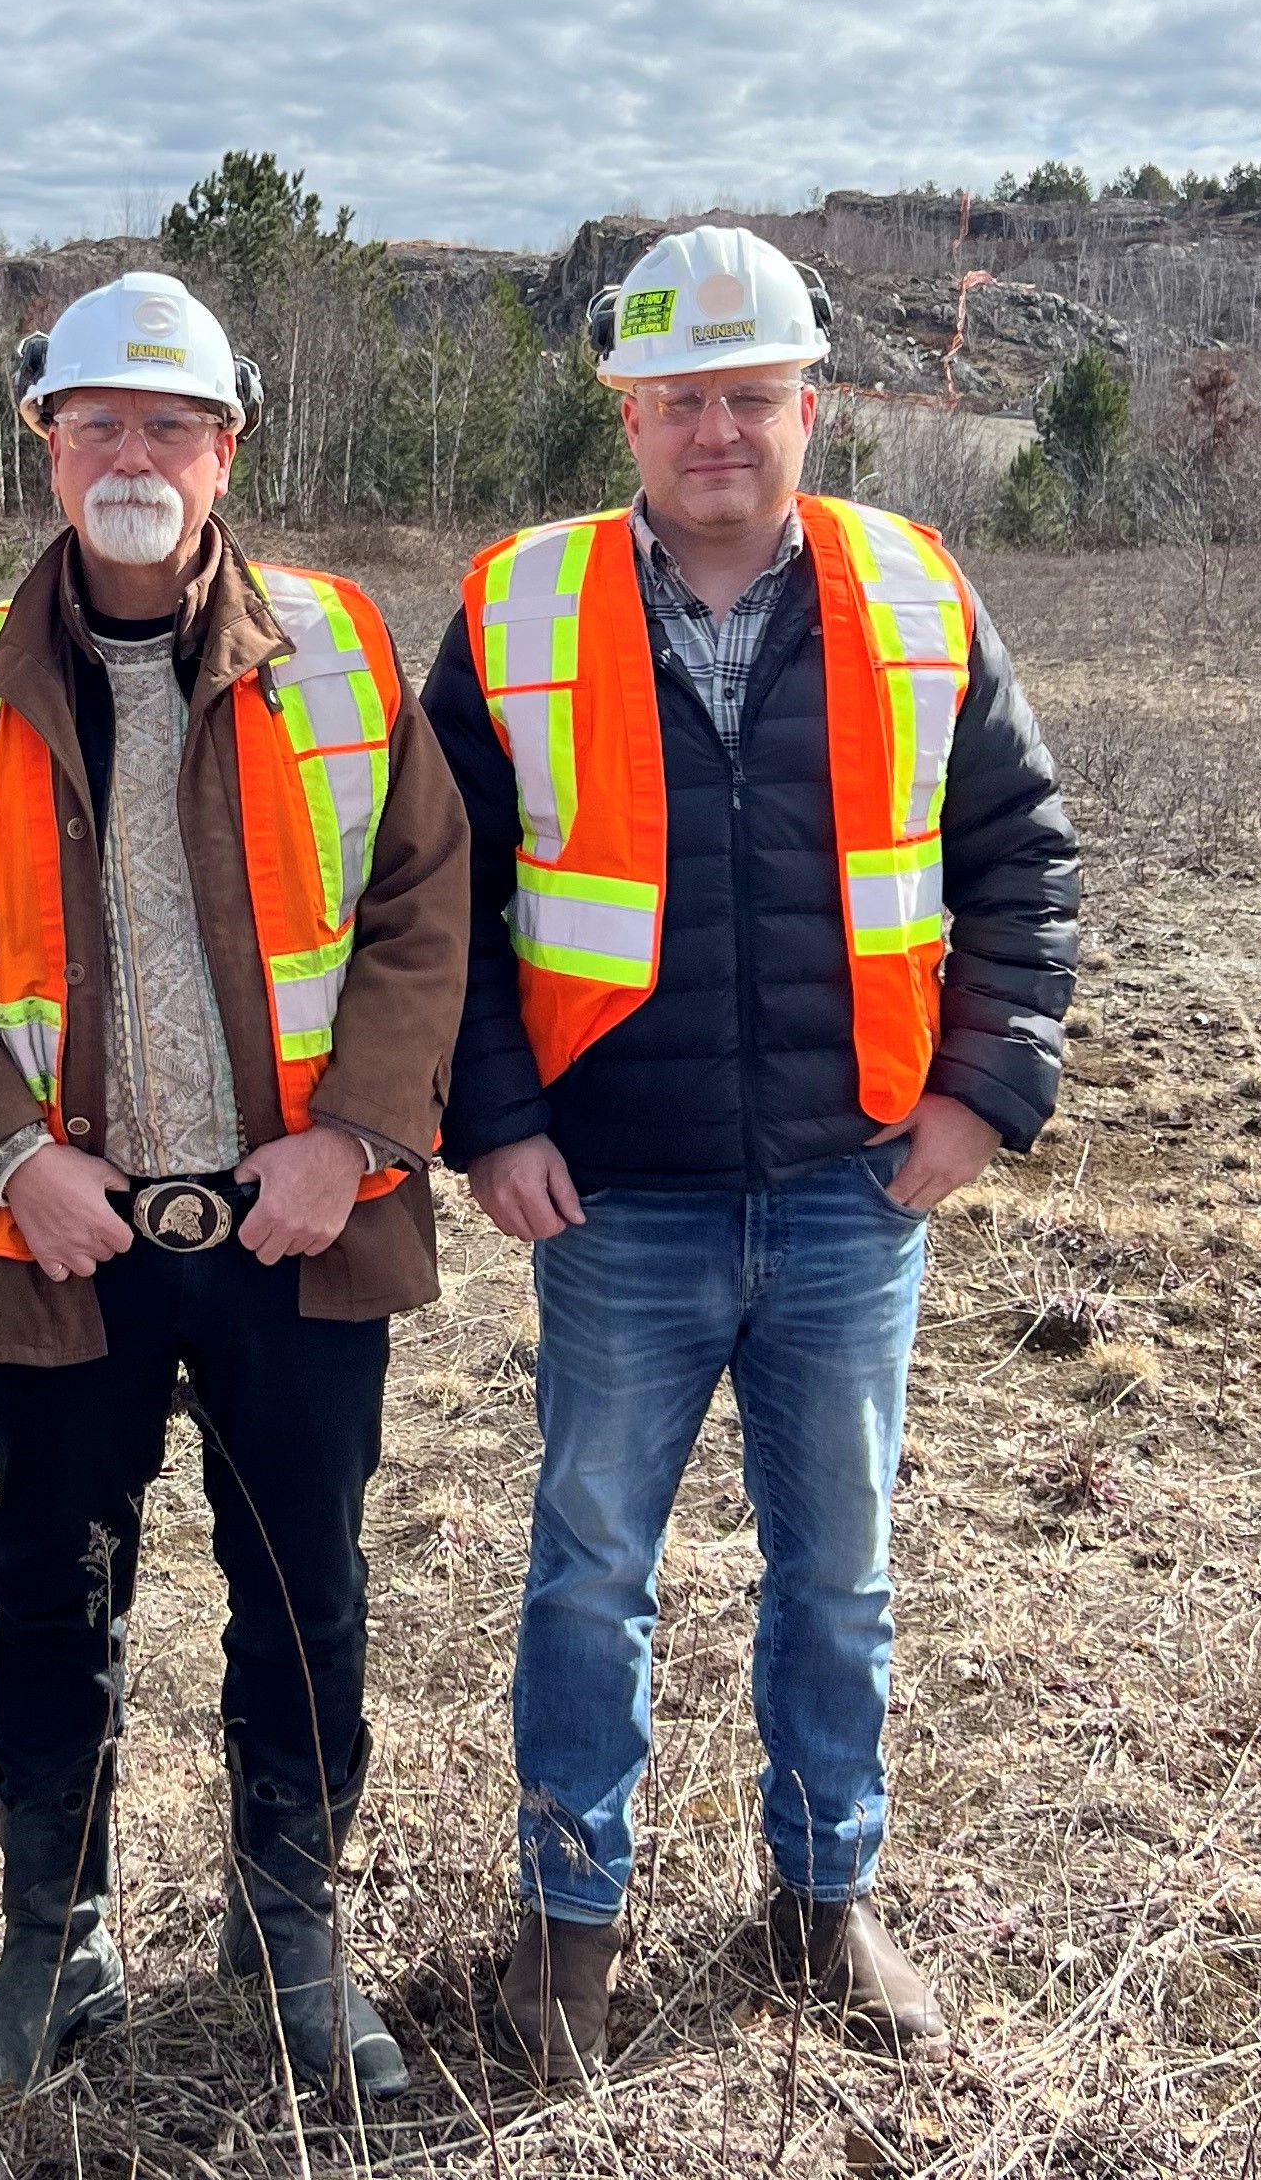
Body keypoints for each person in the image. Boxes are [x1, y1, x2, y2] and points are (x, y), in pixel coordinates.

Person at [424, 222, 1077, 2075]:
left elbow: (1018, 855)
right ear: (626, 414)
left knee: (839, 1572)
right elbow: (438, 899)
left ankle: (823, 1903)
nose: (718, 429)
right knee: (588, 1569)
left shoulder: (918, 591)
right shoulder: (519, 606)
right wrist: (497, 1119)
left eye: (750, 395)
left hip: (853, 1182)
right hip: (613, 1194)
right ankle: (568, 1931)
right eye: (679, 398)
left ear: (811, 404)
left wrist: (979, 1094)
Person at [0, 271, 471, 2110]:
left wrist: (350, 1139)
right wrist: (8, 1156)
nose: (132, 456)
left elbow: (427, 911)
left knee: (306, 1589)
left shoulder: (346, 649)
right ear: (44, 444)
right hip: (62, 1246)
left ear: (228, 450)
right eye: (96, 424)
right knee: (51, 1580)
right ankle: (56, 1943)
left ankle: (293, 1929)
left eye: (169, 427)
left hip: (296, 1230)